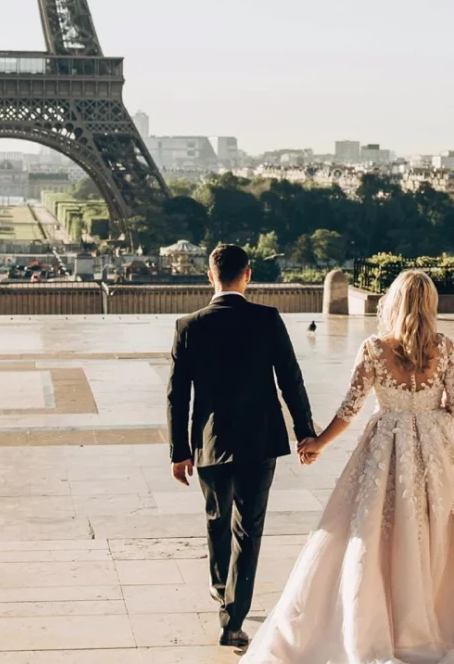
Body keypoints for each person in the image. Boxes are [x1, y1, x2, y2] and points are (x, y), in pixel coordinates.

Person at [242, 269, 454, 663]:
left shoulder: (375, 348)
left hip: (384, 449)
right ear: (430, 305)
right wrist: (432, 428)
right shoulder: (445, 347)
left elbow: (351, 408)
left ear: (392, 302)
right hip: (432, 455)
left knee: (374, 533)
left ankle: (376, 621)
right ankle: (422, 621)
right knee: (427, 534)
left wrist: (317, 443)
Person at [168, 242, 321, 650]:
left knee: (216, 520)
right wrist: (305, 431)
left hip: (210, 442)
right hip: (260, 440)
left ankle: (221, 589)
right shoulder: (267, 319)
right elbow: (291, 379)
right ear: (248, 274)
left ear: (209, 276)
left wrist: (179, 450)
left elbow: (177, 396)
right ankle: (233, 618)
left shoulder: (189, 325)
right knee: (248, 529)